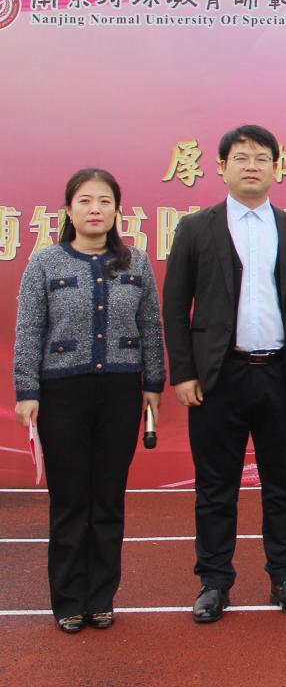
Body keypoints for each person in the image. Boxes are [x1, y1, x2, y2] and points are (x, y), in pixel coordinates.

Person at [164, 125, 286, 623]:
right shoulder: (196, 229)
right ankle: (214, 582)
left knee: (284, 485)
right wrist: (184, 372)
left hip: (280, 375)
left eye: (261, 158)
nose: (251, 166)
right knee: (216, 487)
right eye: (241, 157)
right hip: (218, 377)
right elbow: (175, 307)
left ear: (277, 168)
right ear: (222, 167)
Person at [13, 168, 165, 633]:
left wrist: (153, 383)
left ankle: (101, 597)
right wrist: (26, 390)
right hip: (61, 393)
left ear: (117, 210)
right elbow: (29, 329)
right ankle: (67, 600)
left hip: (120, 392)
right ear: (68, 210)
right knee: (70, 499)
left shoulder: (136, 262)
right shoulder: (45, 263)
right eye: (85, 201)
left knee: (108, 498)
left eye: (104, 201)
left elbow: (150, 326)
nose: (95, 209)